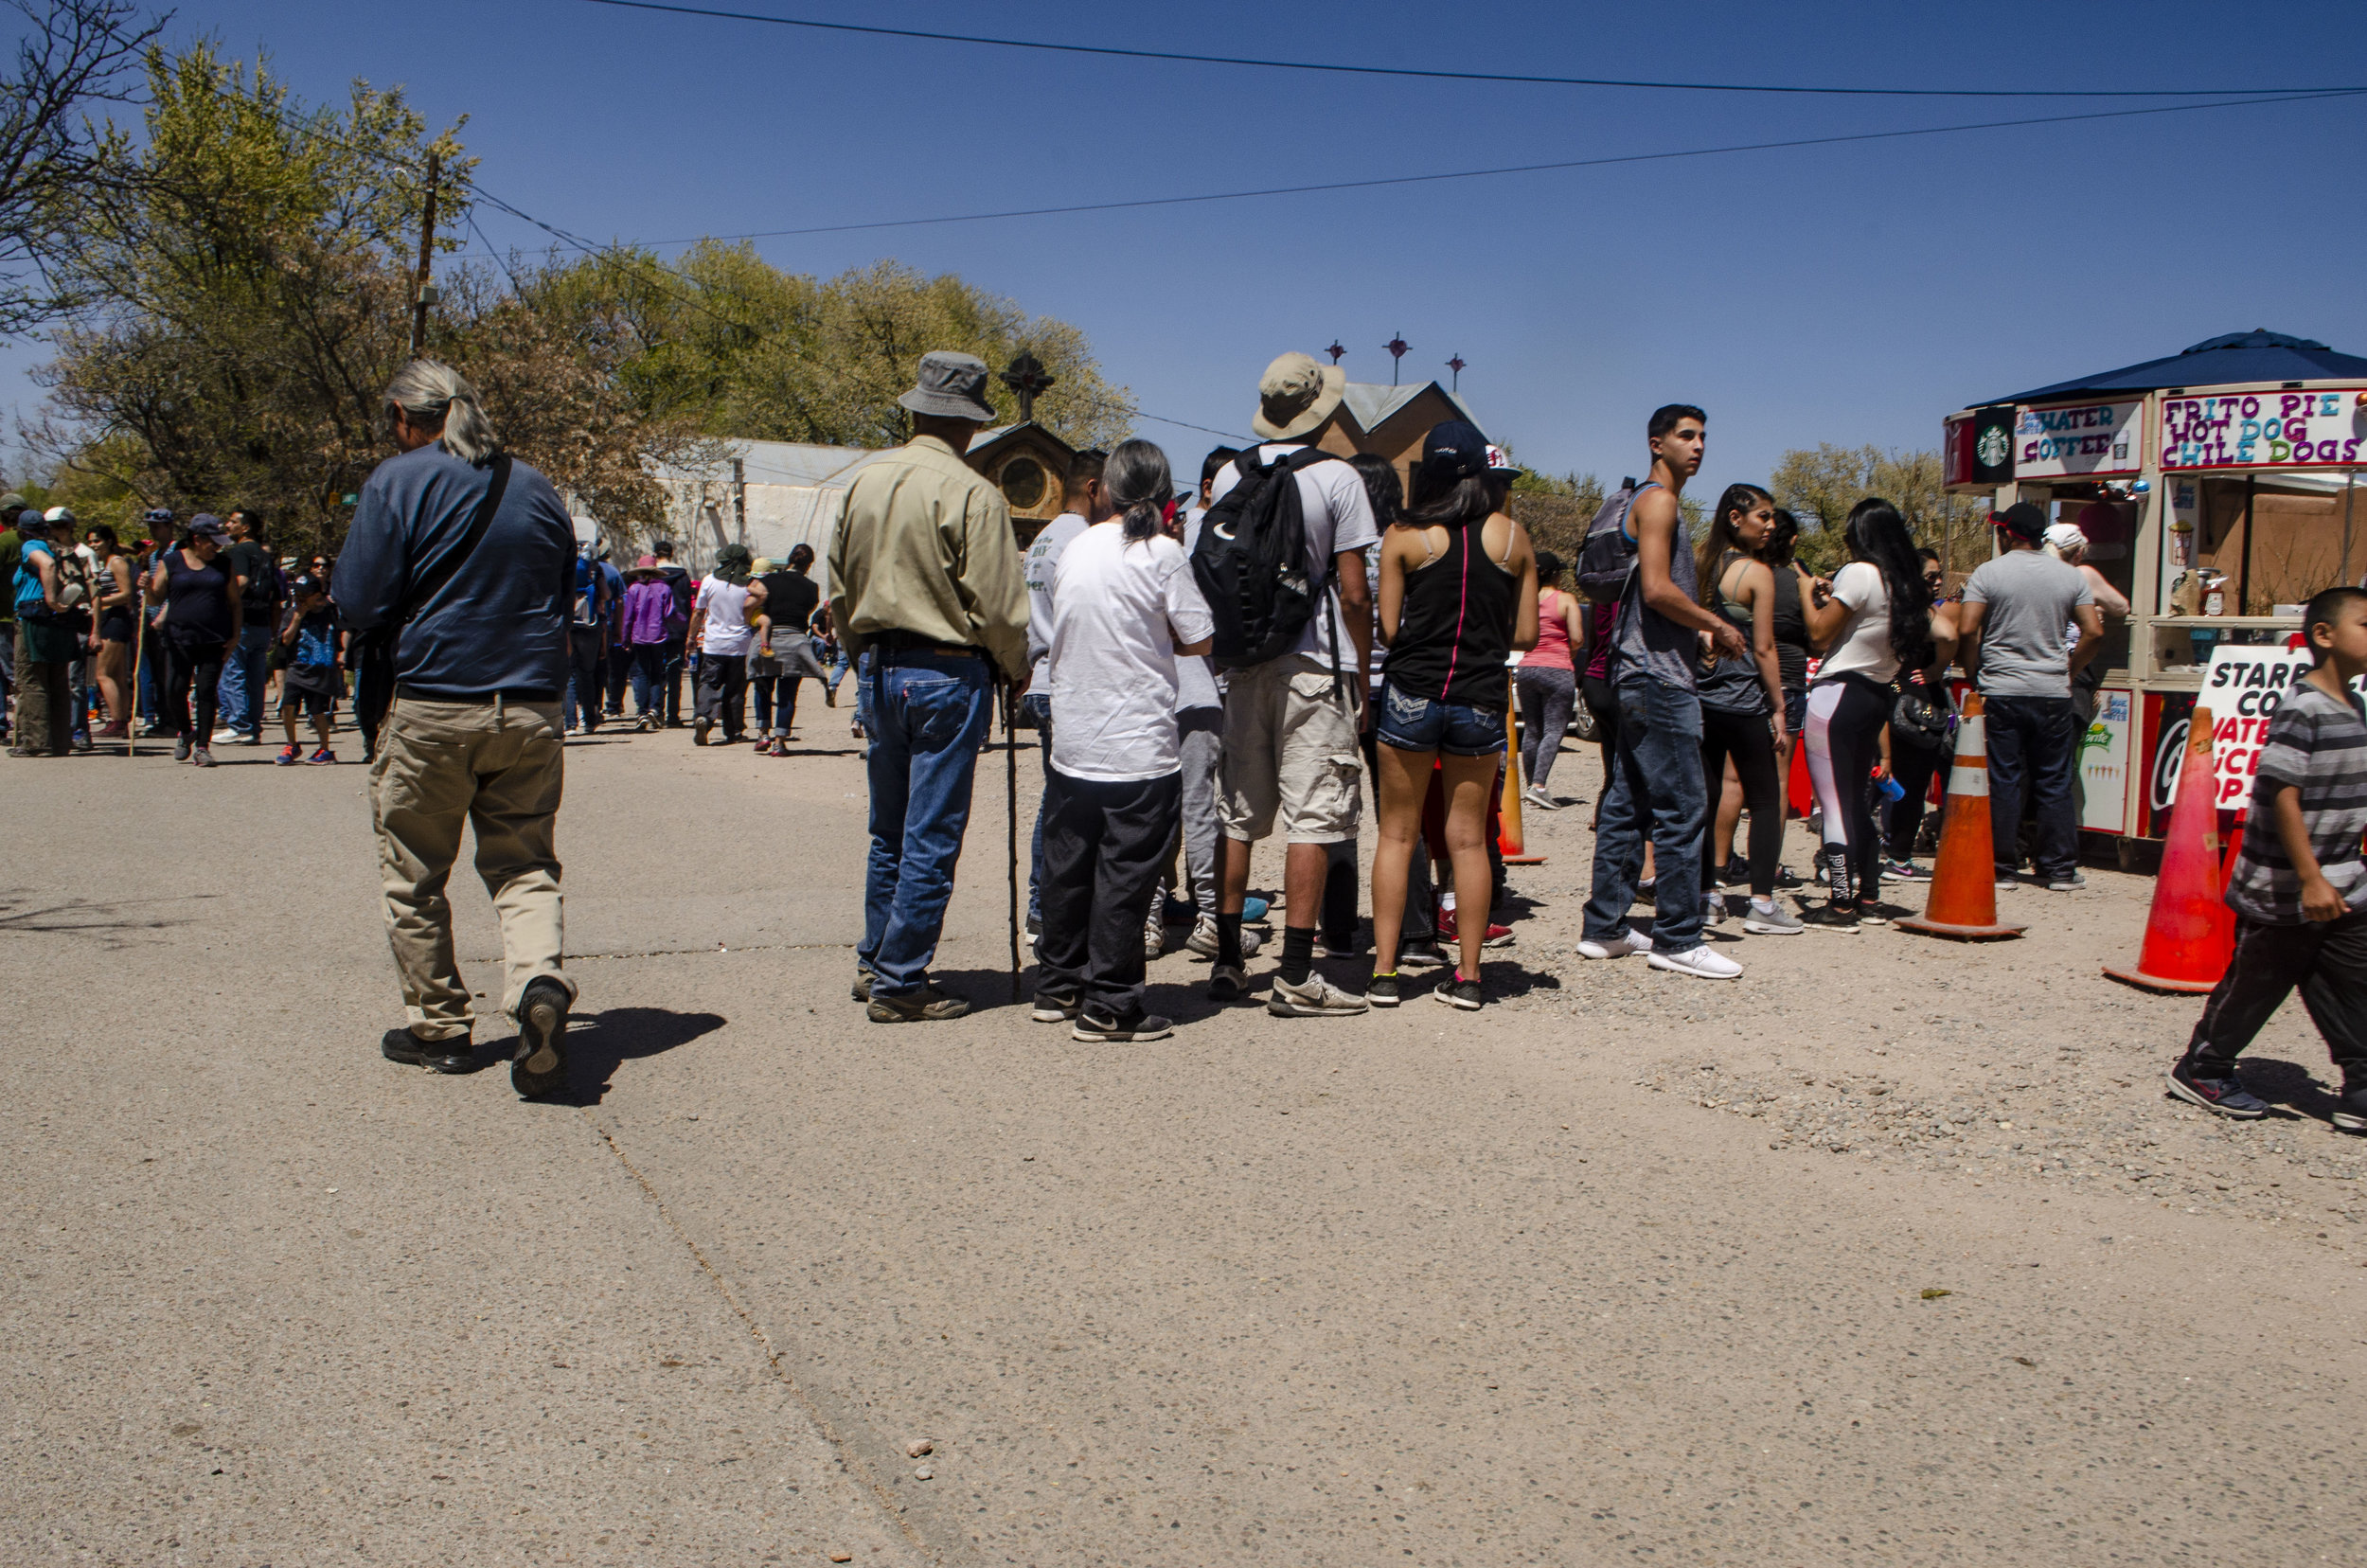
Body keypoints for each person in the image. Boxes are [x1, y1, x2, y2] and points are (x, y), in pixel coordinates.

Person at [335, 359, 578, 1096]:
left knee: (414, 873)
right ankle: (538, 980)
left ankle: (439, 1028)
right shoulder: (539, 488)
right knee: (524, 863)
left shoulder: (399, 478)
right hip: (531, 707)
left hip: (435, 702)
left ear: (409, 417)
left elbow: (357, 600)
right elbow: (562, 594)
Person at [828, 350, 1028, 1023]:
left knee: (889, 829)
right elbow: (999, 606)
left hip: (881, 666)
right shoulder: (974, 493)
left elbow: (838, 587)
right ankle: (900, 979)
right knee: (930, 834)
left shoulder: (865, 480)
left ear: (913, 410)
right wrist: (1015, 664)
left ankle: (876, 957)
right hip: (947, 671)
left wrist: (861, 659)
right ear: (970, 426)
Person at [1204, 351, 1379, 1016]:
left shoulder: (1227, 474)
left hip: (1244, 660)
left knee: (1238, 814)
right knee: (1314, 813)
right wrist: (1360, 667)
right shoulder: (1337, 478)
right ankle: (1296, 973)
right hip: (1314, 661)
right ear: (1322, 406)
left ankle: (1225, 956)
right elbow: (1355, 592)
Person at [1033, 440, 1215, 1042]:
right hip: (1137, 741)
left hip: (1075, 735)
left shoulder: (1075, 546)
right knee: (1126, 874)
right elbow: (1200, 639)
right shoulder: (1164, 553)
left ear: (1105, 488)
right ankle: (1111, 1002)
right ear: (1164, 494)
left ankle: (1058, 984)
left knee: (1069, 868)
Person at [2166, 586, 2367, 1125]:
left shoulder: (2357, 705)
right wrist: (2309, 878)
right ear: (2323, 636)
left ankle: (2361, 1087)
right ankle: (2204, 1067)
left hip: (2347, 880)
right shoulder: (2303, 709)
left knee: (2352, 983)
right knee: (2259, 983)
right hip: (2285, 886)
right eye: (2366, 625)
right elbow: (2282, 793)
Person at [1366, 422, 1539, 1009]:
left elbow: (1389, 629)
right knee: (1467, 842)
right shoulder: (1513, 539)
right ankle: (1467, 976)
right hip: (1480, 697)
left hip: (1413, 692)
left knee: (1397, 833)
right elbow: (1526, 632)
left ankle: (1386, 974)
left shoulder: (1404, 536)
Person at [1578, 405, 1749, 980]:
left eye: (1703, 436)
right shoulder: (1659, 501)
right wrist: (1716, 625)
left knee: (1628, 804)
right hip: (1656, 676)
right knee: (1684, 806)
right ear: (1656, 442)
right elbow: (1656, 589)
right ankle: (1677, 936)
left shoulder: (1641, 502)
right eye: (1686, 436)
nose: (1698, 445)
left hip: (1635, 670)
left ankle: (1605, 927)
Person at [1797, 498, 1935, 930]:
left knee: (1834, 804)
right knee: (1857, 803)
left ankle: (1839, 904)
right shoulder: (1906, 586)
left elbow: (1819, 635)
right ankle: (1869, 897)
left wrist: (1807, 595)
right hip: (1876, 695)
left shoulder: (1858, 573)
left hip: (1836, 695)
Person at [1959, 501, 2102, 891]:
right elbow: (2094, 631)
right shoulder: (2069, 577)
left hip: (2001, 689)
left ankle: (2002, 868)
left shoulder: (1988, 573)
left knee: (2004, 778)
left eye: (2000, 531)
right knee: (2054, 780)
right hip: (2053, 691)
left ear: (2008, 534)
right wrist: (2069, 671)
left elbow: (1968, 628)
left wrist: (1976, 673)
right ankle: (2058, 868)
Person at [1692, 484, 1801, 935]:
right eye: (1764, 517)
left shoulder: (1700, 560)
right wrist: (1777, 706)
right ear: (1736, 518)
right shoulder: (1756, 573)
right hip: (1741, 700)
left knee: (1709, 796)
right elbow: (1765, 647)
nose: (1771, 526)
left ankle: (1707, 897)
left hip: (1700, 697)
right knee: (1765, 799)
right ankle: (1761, 903)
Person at [1019, 450, 1108, 938]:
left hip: (1043, 677)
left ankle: (1045, 907)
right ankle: (1046, 909)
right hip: (1067, 683)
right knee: (1070, 805)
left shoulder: (1044, 538)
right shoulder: (1083, 540)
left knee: (1058, 799)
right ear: (1093, 488)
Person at [1882, 551, 1960, 880]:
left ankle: (1842, 857)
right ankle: (1899, 857)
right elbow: (1951, 635)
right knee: (1910, 786)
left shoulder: (1888, 608)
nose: (1939, 581)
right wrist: (1937, 668)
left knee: (1876, 783)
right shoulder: (1919, 612)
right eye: (1931, 577)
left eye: (1939, 575)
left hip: (1885, 699)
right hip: (1914, 708)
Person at [146, 514, 240, 767]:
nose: (217, 547)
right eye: (213, 542)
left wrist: (235, 635)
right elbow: (155, 599)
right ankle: (185, 731)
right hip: (178, 638)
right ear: (197, 539)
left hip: (214, 638)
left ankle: (202, 746)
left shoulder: (223, 564)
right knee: (174, 690)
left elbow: (234, 602)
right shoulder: (172, 562)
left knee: (206, 691)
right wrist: (146, 587)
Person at [1517, 550, 1582, 811]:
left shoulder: (1525, 601)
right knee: (1554, 730)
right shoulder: (1565, 600)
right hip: (1557, 670)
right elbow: (1576, 638)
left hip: (1527, 668)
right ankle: (1539, 786)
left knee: (1532, 730)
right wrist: (1570, 651)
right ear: (1555, 574)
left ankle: (1531, 785)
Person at [9, 508, 78, 757]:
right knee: (57, 679)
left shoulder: (32, 547)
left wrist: (50, 600)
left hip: (33, 616)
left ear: (22, 531)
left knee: (31, 679)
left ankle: (36, 741)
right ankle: (60, 740)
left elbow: (46, 565)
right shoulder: (57, 546)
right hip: (55, 620)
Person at [751, 543, 828, 755]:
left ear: (789, 560)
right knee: (787, 694)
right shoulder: (812, 588)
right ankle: (779, 741)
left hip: (770, 638)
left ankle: (763, 734)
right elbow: (809, 610)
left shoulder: (769, 581)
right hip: (795, 640)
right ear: (809, 565)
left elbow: (754, 601)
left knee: (763, 687)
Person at [212, 508, 278, 745]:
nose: (227, 526)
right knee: (255, 679)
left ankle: (239, 726)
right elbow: (275, 597)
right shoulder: (264, 555)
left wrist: (223, 607)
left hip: (243, 623)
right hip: (262, 624)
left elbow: (241, 582)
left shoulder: (239, 551)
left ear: (246, 527)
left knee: (233, 675)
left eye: (232, 522)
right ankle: (253, 727)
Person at [685, 543, 759, 744]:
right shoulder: (751, 584)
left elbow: (699, 612)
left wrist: (691, 638)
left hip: (713, 643)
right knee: (735, 689)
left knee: (709, 682)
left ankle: (704, 717)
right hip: (741, 643)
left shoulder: (709, 580)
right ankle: (733, 730)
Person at [273, 572, 341, 764]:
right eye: (298, 595)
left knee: (318, 711)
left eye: (304, 595)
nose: (300, 598)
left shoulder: (329, 611)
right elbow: (285, 641)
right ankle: (291, 744)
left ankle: (325, 749)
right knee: (288, 706)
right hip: (297, 667)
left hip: (321, 669)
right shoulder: (292, 612)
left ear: (315, 595)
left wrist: (341, 654)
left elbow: (340, 631)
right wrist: (297, 618)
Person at [618, 554, 674, 729]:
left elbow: (628, 617)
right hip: (659, 636)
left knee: (641, 673)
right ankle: (655, 709)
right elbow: (669, 613)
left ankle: (641, 711)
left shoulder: (634, 589)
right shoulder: (664, 588)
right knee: (657, 672)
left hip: (639, 636)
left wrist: (625, 638)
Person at [562, 541, 610, 734]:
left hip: (568, 623)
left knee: (570, 674)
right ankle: (589, 720)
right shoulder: (595, 570)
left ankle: (570, 723)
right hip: (590, 625)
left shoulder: (564, 566)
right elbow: (606, 595)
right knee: (587, 673)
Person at [650, 540, 694, 726]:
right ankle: (673, 716)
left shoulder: (652, 576)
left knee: (656, 671)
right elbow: (686, 604)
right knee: (675, 672)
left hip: (654, 629)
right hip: (678, 628)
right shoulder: (683, 577)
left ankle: (656, 711)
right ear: (672, 554)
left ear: (655, 555)